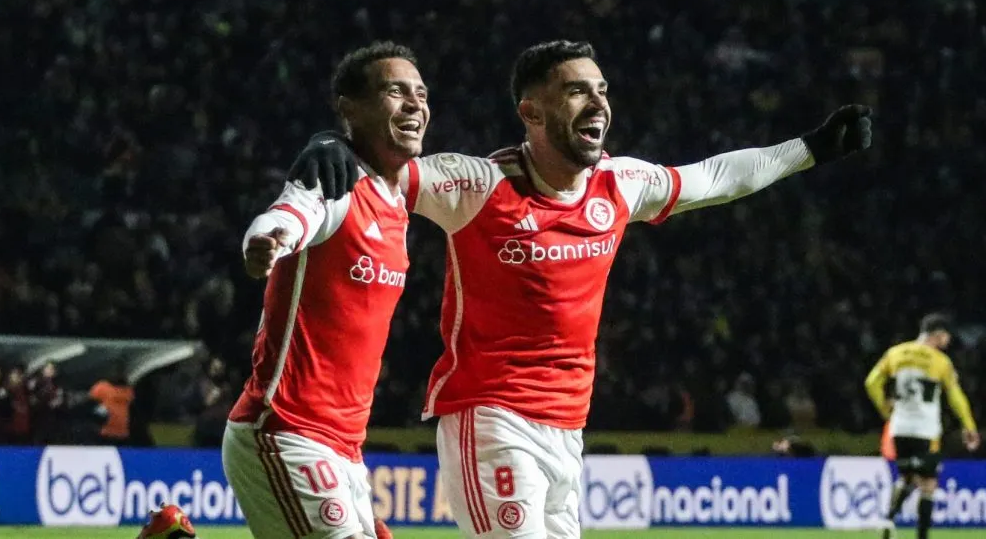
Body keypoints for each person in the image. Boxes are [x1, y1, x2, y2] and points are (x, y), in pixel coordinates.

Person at [291, 40, 873, 538]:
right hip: (491, 417)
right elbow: (383, 164)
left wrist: (811, 149)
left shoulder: (618, 184)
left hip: (568, 428)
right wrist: (331, 140)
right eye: (576, 92)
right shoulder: (476, 184)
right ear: (532, 112)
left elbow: (715, 177)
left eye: (602, 90)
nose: (598, 103)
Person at [221, 41, 421, 539]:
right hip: (285, 431)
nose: (415, 103)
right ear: (350, 107)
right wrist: (265, 241)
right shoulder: (335, 182)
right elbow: (289, 212)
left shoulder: (399, 196)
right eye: (395, 91)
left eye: (421, 93)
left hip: (346, 448)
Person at [864, 313, 980, 539]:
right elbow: (955, 397)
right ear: (938, 334)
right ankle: (922, 536)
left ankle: (888, 520)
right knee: (928, 483)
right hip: (925, 430)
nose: (948, 341)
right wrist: (969, 426)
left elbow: (871, 382)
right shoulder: (940, 361)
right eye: (946, 336)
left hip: (899, 427)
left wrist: (884, 408)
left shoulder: (895, 353)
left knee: (907, 478)